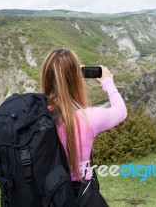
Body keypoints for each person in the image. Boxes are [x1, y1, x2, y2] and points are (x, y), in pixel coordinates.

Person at [40, 48, 127, 207]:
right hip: (81, 192)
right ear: (76, 78)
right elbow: (121, 112)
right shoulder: (88, 118)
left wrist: (66, 74)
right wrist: (107, 81)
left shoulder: (38, 114)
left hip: (48, 193)